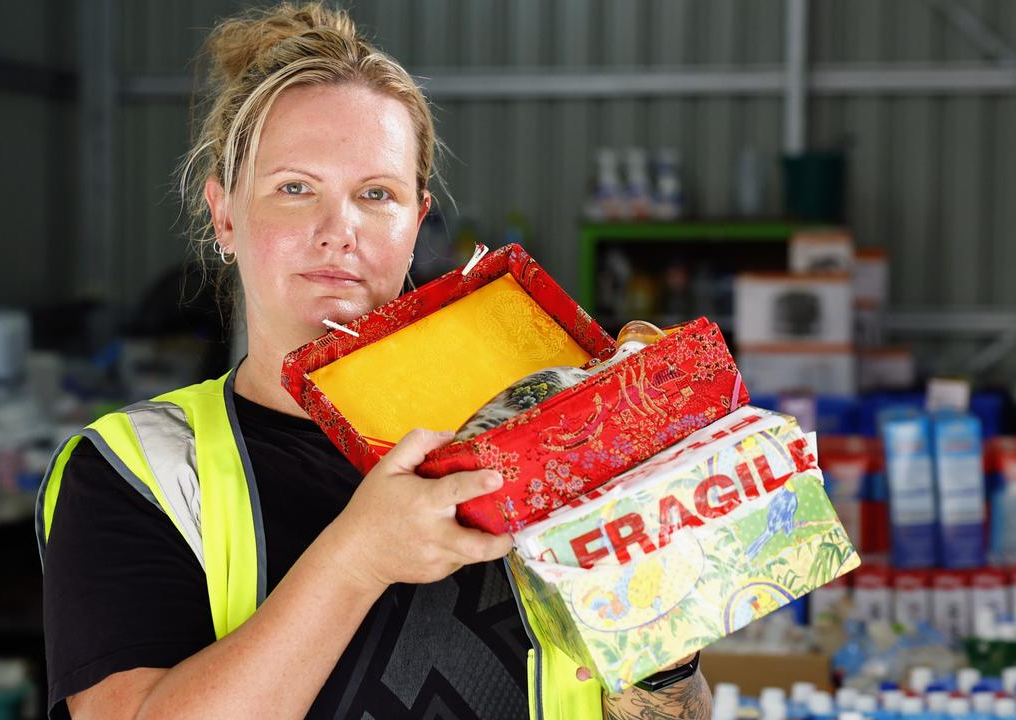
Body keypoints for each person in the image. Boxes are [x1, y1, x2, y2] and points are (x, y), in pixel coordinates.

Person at [35, 3, 711, 719]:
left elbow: (673, 708)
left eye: (376, 195)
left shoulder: (540, 436)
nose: (340, 232)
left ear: (417, 222)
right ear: (224, 215)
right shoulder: (139, 471)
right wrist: (357, 559)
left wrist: (666, 649)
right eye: (295, 189)